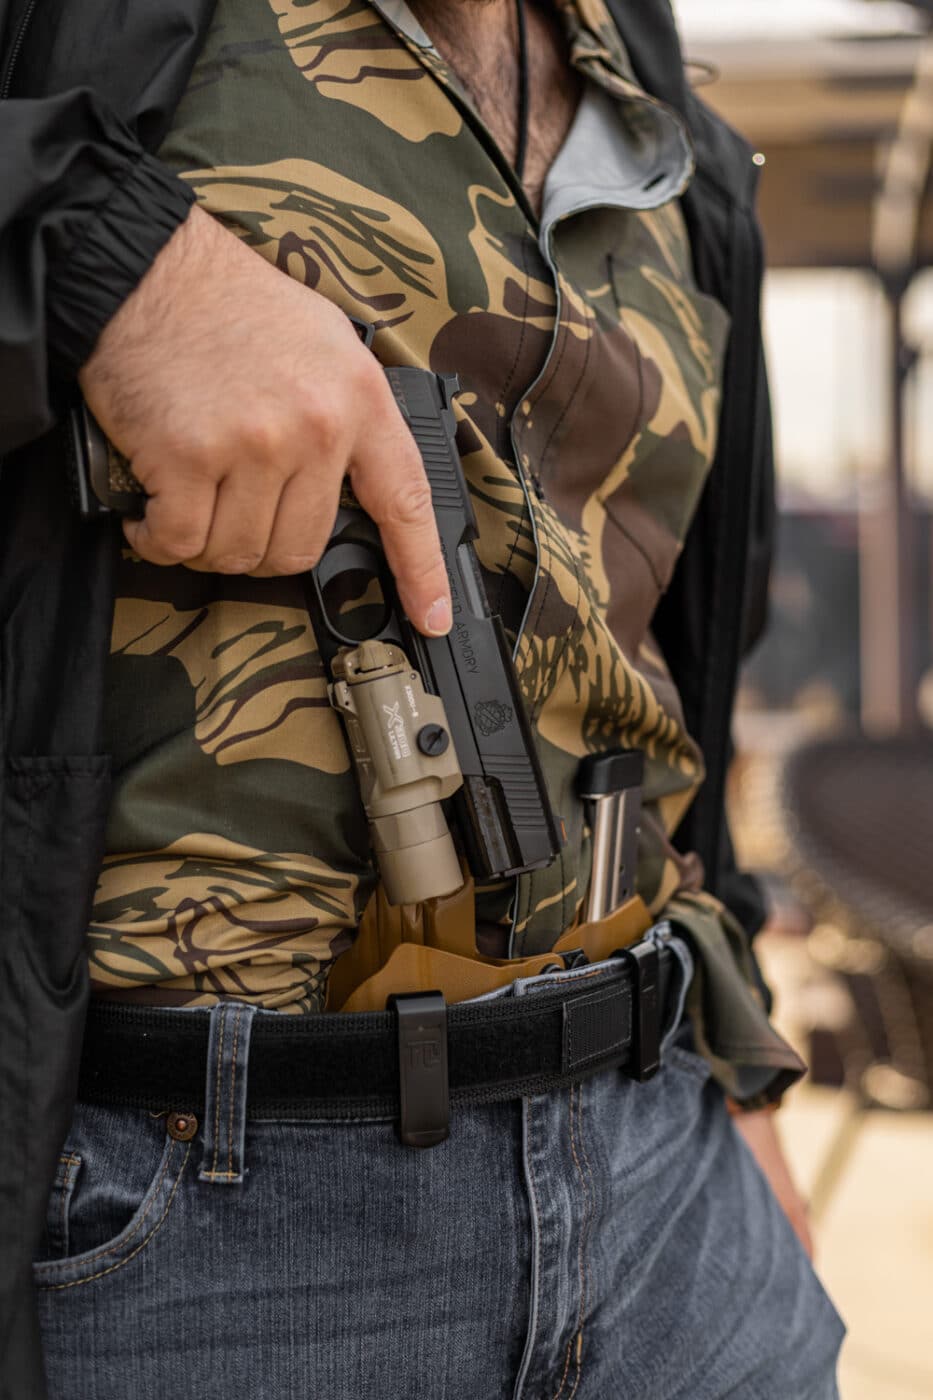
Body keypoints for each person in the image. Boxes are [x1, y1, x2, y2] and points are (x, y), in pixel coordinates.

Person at [0, 0, 845, 1395]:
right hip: (194, 1215)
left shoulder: (638, 79)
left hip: (662, 1182)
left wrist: (729, 1049)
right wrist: (106, 262)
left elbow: (667, 675)